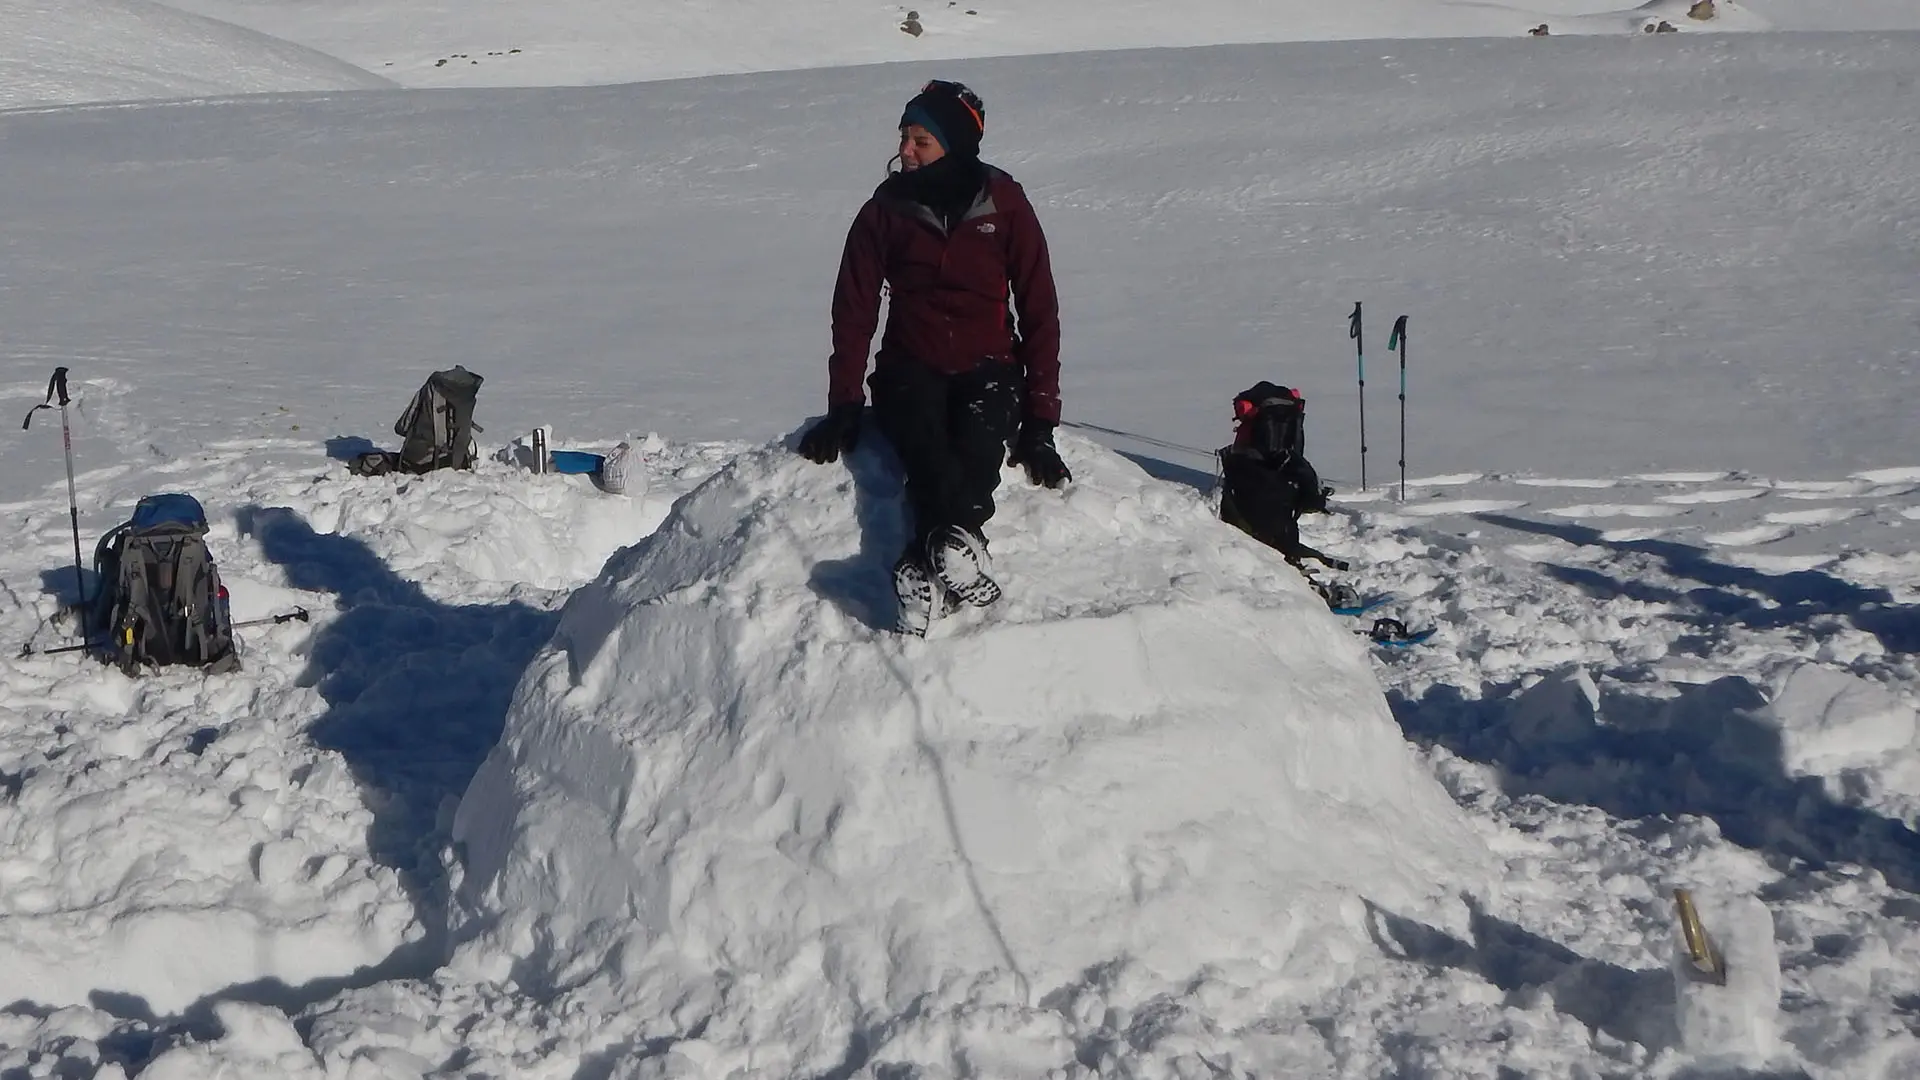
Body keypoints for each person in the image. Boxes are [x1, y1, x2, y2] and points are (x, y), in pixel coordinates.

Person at [796, 79, 1070, 625]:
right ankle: (963, 554)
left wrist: (1040, 421)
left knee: (976, 450)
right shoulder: (885, 210)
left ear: (956, 143)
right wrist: (845, 403)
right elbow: (853, 310)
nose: (906, 151)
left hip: (990, 367)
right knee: (926, 454)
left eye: (921, 139)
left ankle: (924, 571)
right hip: (908, 367)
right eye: (904, 137)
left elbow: (1039, 307)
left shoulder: (1004, 201)